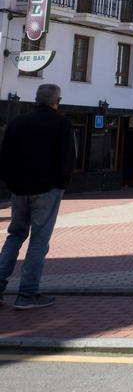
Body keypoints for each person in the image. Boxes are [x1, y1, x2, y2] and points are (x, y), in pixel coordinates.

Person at [0, 83, 75, 310]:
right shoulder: (61, 123)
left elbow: (4, 155)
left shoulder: (17, 122)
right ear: (57, 101)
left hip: (19, 189)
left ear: (36, 99)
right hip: (47, 188)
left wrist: (11, 183)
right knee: (39, 240)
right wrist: (61, 184)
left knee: (15, 234)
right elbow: (67, 157)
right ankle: (27, 293)